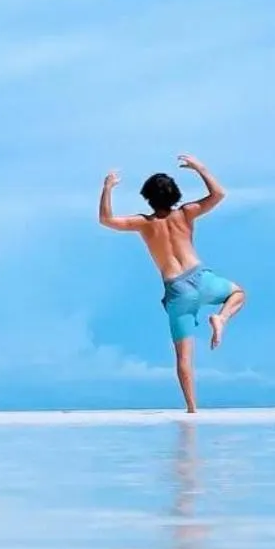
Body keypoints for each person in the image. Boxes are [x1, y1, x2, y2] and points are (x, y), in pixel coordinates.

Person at [98, 154, 245, 414]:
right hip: (201, 278)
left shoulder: (144, 223)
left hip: (177, 291)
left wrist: (107, 187)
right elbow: (219, 194)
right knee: (237, 293)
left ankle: (192, 408)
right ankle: (221, 318)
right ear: (175, 194)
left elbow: (106, 220)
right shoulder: (186, 213)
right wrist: (199, 167)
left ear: (148, 197)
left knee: (184, 356)